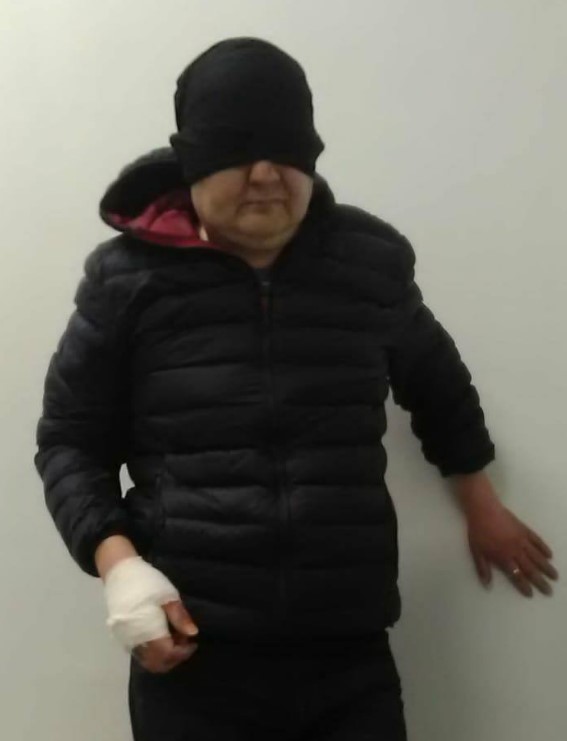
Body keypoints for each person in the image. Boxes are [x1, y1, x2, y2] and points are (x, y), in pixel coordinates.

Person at [34, 37, 559, 741]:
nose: (264, 174)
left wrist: (481, 504)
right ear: (192, 159)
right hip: (190, 649)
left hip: (348, 650)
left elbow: (437, 385)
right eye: (235, 150)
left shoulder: (367, 265)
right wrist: (119, 565)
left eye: (284, 150)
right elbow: (69, 440)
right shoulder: (125, 281)